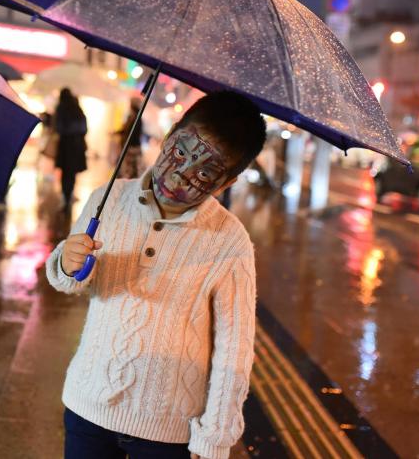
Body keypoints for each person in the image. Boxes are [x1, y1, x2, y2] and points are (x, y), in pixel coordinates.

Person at [46, 91, 267, 459]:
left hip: (168, 428)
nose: (180, 176)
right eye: (180, 153)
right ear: (168, 137)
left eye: (206, 172)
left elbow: (234, 349)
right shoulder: (109, 197)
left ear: (226, 183)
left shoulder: (231, 242)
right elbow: (71, 280)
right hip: (88, 405)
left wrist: (213, 439)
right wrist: (67, 263)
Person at [54, 87, 88, 211]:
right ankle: (69, 194)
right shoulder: (77, 108)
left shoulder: (61, 108)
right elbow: (84, 128)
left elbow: (58, 127)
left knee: (65, 172)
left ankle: (66, 195)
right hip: (76, 146)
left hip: (65, 145)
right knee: (72, 172)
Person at [116, 96, 145, 179]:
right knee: (129, 169)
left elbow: (133, 134)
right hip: (130, 147)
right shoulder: (132, 117)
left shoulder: (136, 118)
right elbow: (126, 131)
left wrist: (127, 144)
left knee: (132, 169)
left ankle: (130, 186)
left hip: (132, 147)